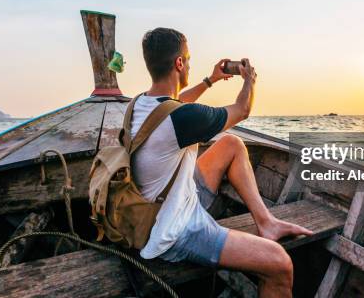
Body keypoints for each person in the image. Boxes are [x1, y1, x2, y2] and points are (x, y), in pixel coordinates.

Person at [130, 27, 312, 297]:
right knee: (280, 263)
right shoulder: (183, 118)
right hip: (175, 229)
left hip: (158, 206)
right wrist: (249, 80)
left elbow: (176, 102)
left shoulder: (139, 104)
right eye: (188, 58)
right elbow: (242, 110)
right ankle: (266, 238)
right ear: (179, 63)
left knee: (231, 144)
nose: (190, 63)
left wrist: (211, 79)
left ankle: (266, 222)